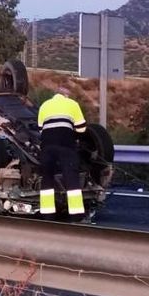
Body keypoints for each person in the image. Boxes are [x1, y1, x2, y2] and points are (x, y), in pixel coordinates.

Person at [37, 87, 87, 217]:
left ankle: (47, 213)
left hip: (47, 146)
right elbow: (82, 129)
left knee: (47, 177)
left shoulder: (44, 105)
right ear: (66, 95)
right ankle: (76, 215)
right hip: (66, 145)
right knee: (71, 177)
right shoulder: (72, 104)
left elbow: (40, 130)